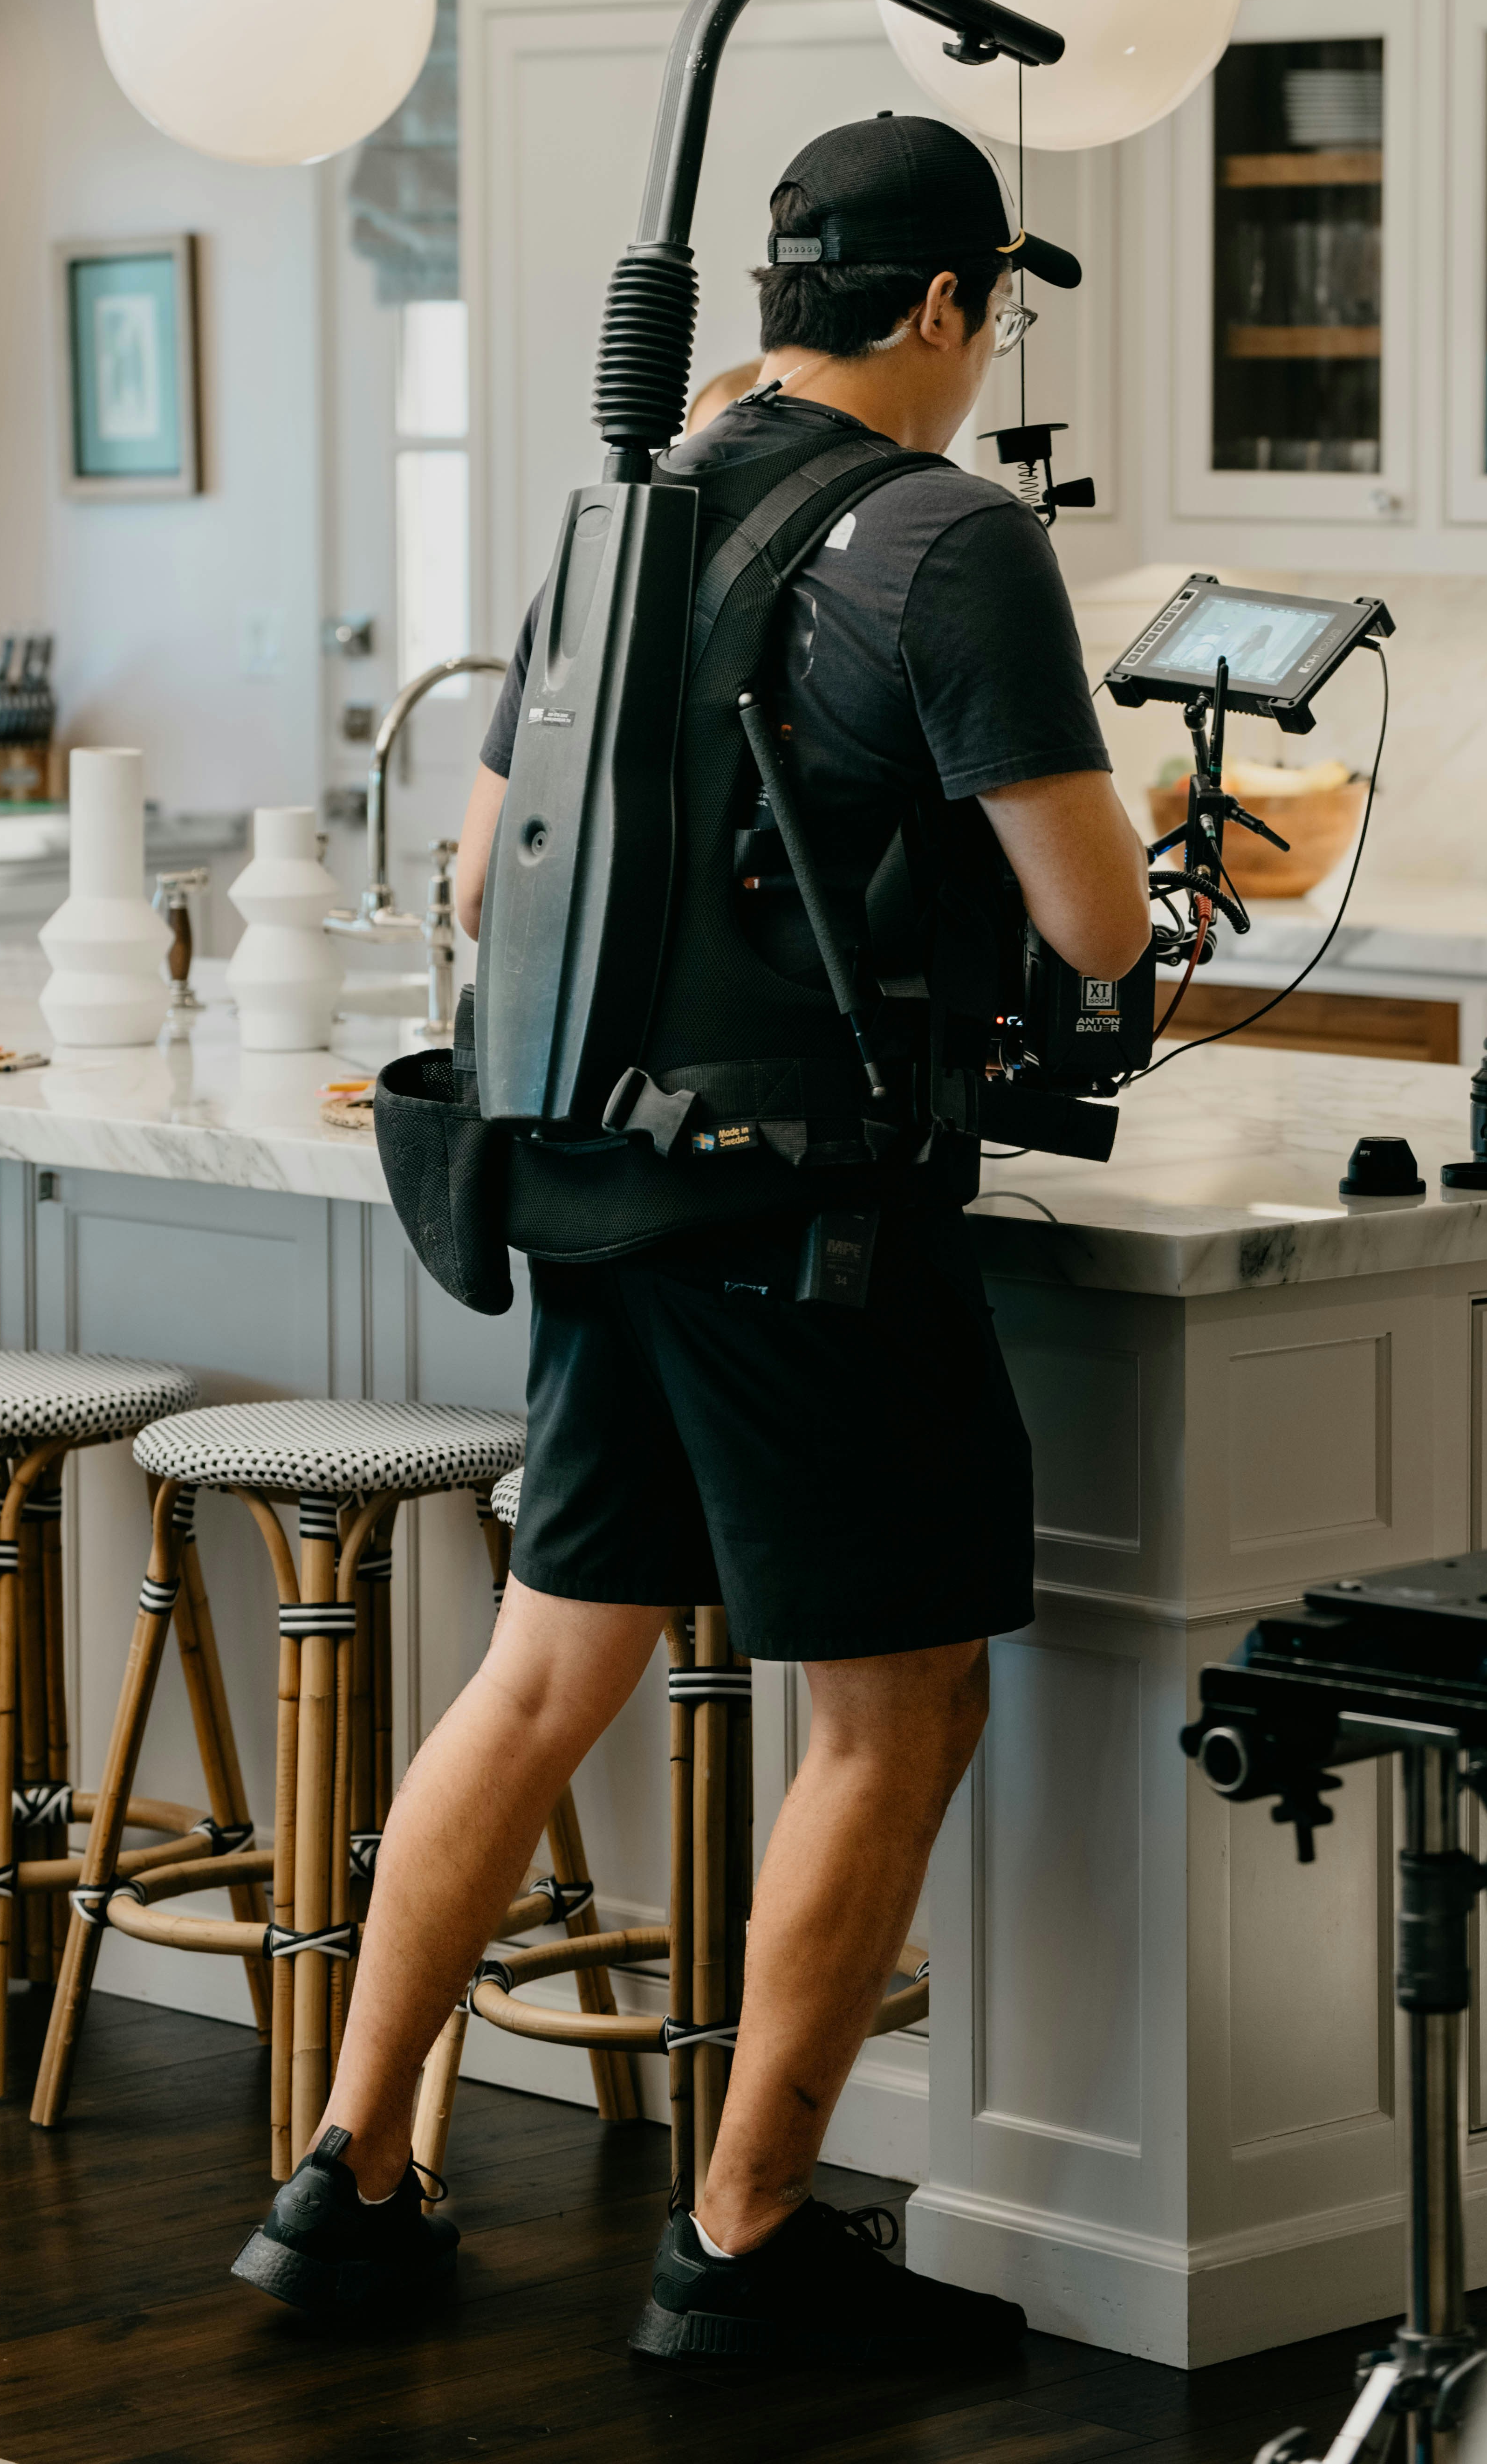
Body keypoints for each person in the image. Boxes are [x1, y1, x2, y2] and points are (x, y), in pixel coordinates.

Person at [235, 114, 1151, 2368]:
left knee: (547, 1673)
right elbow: (1098, 919)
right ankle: (742, 2248)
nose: (985, 351)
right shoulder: (953, 540)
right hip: (802, 1224)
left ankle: (348, 2182)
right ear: (943, 308)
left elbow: (476, 887)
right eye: (992, 314)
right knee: (894, 1712)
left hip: (594, 1197)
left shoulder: (618, 521)